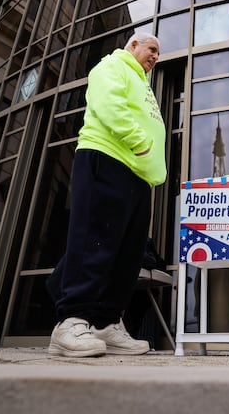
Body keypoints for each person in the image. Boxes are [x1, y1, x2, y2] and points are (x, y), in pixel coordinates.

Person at [45, 32, 167, 357]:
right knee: (95, 242)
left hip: (138, 174)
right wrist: (139, 140)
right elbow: (108, 103)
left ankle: (106, 322)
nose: (155, 56)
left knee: (127, 254)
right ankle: (71, 320)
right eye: (151, 49)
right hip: (108, 157)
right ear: (133, 46)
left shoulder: (143, 84)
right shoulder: (113, 64)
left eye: (158, 53)